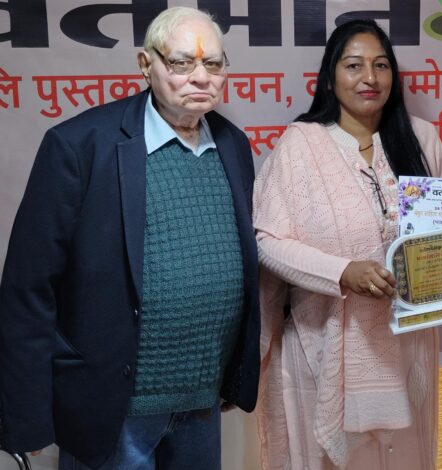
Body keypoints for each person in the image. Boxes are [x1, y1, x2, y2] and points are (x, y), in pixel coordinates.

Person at [0, 7, 259, 469]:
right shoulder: (79, 145)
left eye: (213, 63)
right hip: (112, 409)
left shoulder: (233, 144)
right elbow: (28, 288)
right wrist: (26, 414)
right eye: (182, 63)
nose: (201, 77)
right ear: (145, 64)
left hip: (201, 403)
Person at [252, 19, 442, 470]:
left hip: (407, 345)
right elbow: (268, 241)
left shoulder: (421, 139)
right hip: (323, 345)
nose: (370, 78)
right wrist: (342, 272)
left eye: (381, 65)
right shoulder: (301, 145)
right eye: (354, 65)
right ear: (330, 77)